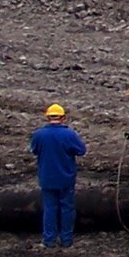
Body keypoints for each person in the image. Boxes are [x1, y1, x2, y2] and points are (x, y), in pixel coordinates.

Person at [30, 104, 87, 249]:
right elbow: (81, 150)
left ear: (48, 117)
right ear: (63, 117)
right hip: (66, 177)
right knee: (67, 208)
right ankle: (66, 240)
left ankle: (49, 240)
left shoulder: (39, 135)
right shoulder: (69, 134)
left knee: (50, 209)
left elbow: (34, 150)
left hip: (47, 177)